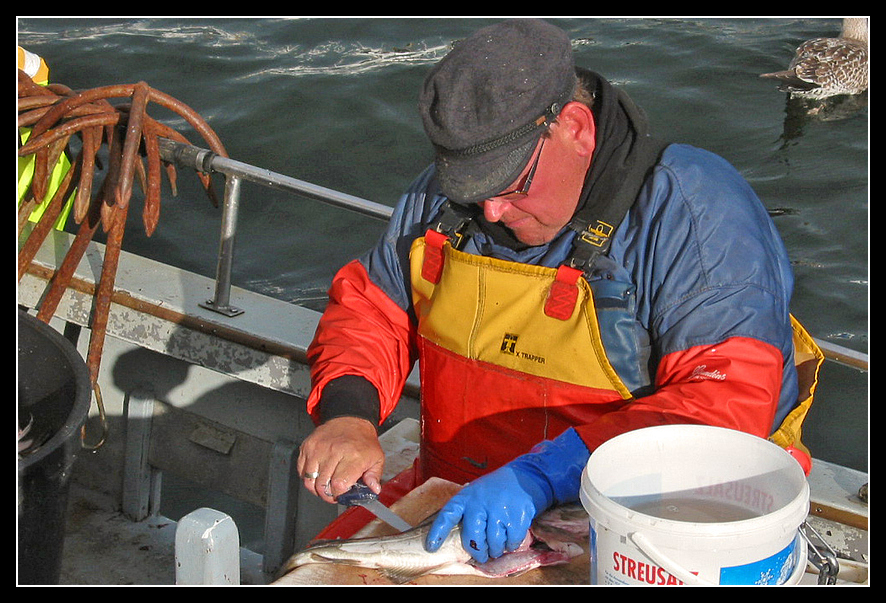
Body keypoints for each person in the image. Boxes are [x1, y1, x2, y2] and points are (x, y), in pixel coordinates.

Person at [296, 19, 822, 564]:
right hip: (451, 501)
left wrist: (542, 476)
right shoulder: (448, 199)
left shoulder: (696, 213)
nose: (491, 211)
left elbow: (724, 406)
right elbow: (369, 311)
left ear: (576, 128)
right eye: (471, 189)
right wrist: (348, 412)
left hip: (644, 531)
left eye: (510, 184)